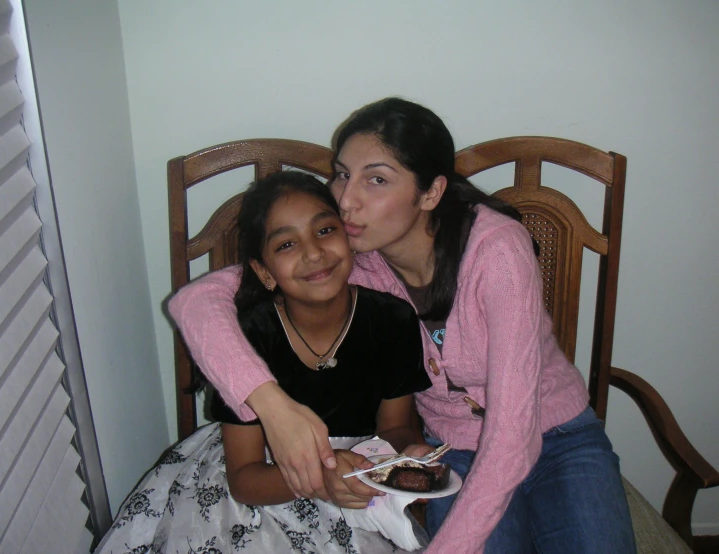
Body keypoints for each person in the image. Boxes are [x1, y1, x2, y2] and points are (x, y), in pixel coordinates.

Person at [169, 97, 637, 553]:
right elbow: (195, 302)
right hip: (449, 453)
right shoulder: (353, 260)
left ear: (430, 192)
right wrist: (272, 407)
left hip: (558, 438)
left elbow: (512, 435)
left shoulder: (496, 251)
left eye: (376, 180)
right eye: (342, 175)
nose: (346, 201)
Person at [97, 171, 433, 554]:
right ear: (263, 271)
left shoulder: (393, 320)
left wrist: (408, 455)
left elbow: (394, 428)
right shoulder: (243, 336)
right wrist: (320, 480)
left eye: (325, 231)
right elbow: (244, 480)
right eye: (287, 244)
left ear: (349, 238)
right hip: (261, 491)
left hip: (356, 479)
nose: (313, 253)